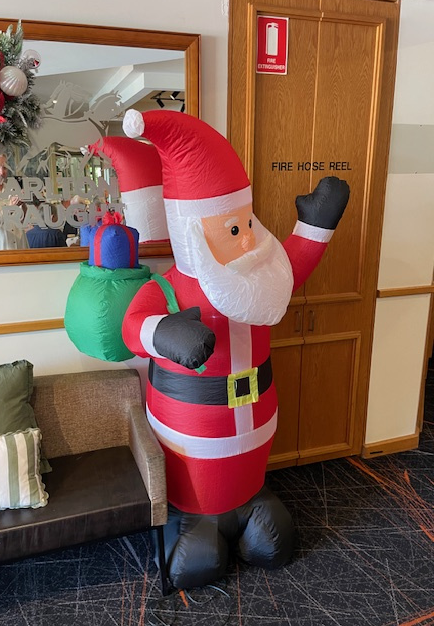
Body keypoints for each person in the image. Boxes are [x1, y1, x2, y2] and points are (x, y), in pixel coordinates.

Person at [120, 110, 350, 589]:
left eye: (247, 222)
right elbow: (132, 327)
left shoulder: (258, 279)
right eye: (231, 230)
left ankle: (248, 500)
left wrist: (314, 228)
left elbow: (289, 274)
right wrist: (164, 334)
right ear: (194, 235)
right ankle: (195, 516)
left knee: (272, 539)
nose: (247, 238)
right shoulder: (169, 287)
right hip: (191, 438)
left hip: (256, 425)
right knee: (199, 559)